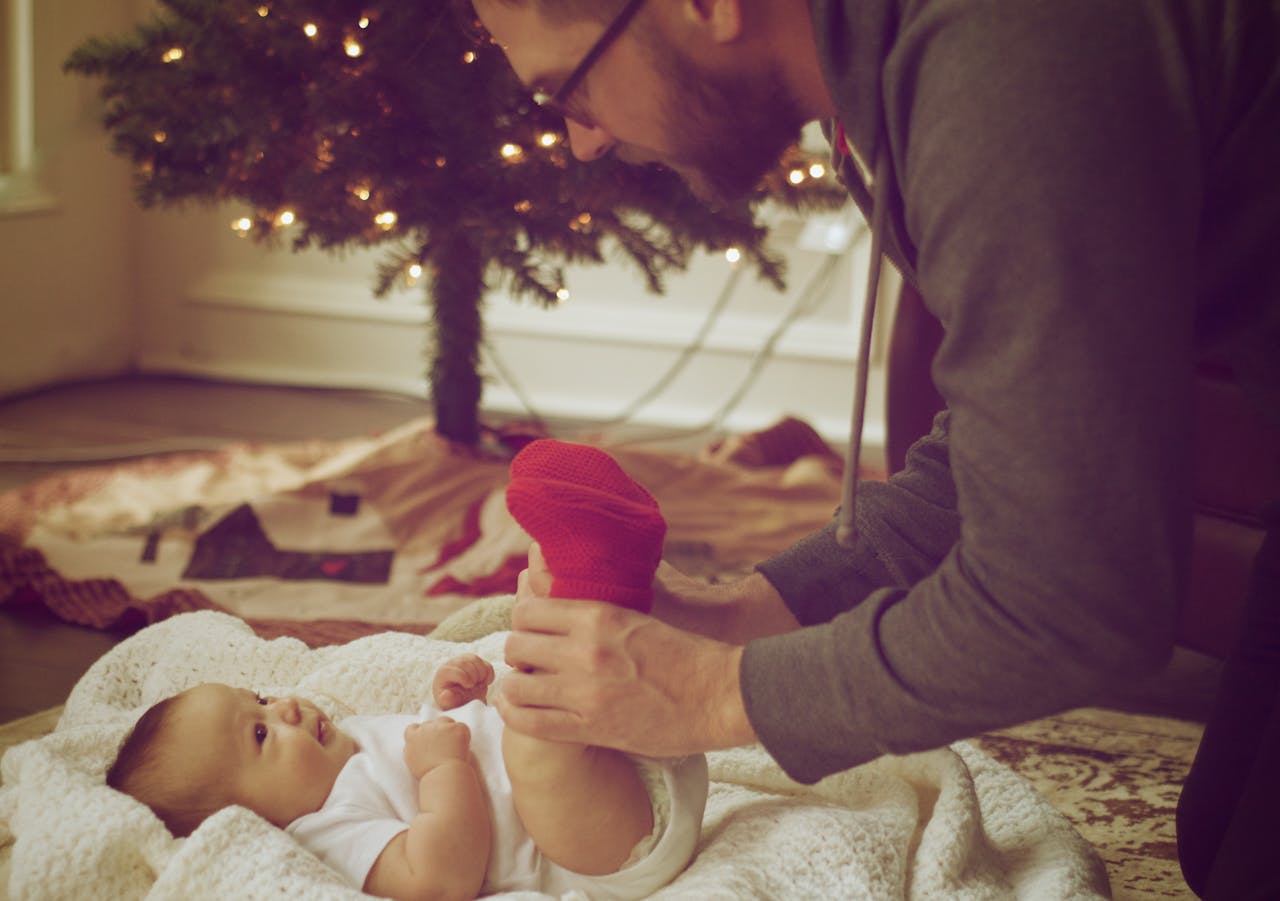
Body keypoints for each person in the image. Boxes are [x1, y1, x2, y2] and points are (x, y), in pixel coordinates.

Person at [467, 0, 1280, 897]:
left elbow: (1075, 597)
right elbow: (1008, 446)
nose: (581, 142)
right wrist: (747, 614)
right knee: (1220, 846)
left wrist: (716, 694)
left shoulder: (1002, 63)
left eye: (570, 90)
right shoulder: (872, 82)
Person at [105, 652, 707, 901]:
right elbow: (440, 876)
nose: (283, 708)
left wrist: (458, 704)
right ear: (248, 818)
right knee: (538, 716)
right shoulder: (325, 830)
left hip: (615, 773)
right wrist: (444, 766)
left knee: (549, 666)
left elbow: (445, 744)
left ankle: (666, 680)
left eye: (259, 698)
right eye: (260, 735)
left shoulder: (349, 742)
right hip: (594, 846)